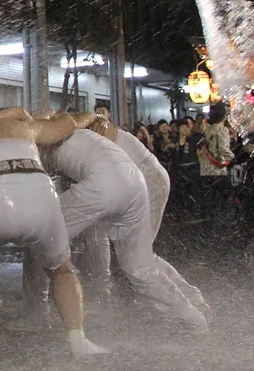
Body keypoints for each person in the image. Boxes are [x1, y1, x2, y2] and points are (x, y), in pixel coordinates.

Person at [0, 106, 107, 358]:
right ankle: (78, 340)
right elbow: (69, 123)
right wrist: (93, 116)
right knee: (62, 270)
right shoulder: (26, 127)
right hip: (41, 194)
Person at [39, 120, 209, 332]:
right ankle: (193, 315)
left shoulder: (56, 130)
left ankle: (36, 312)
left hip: (142, 180)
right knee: (139, 264)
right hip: (135, 181)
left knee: (44, 234)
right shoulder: (81, 128)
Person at [88, 115, 209, 315]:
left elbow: (100, 126)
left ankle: (186, 308)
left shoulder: (93, 129)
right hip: (139, 186)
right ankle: (185, 303)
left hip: (147, 184)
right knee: (136, 258)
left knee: (137, 260)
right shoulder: (90, 133)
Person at [198, 102, 235, 232]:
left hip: (205, 170)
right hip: (218, 171)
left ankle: (208, 226)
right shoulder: (223, 130)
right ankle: (223, 226)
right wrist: (234, 158)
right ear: (224, 116)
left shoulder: (207, 129)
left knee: (210, 199)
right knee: (226, 199)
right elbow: (224, 150)